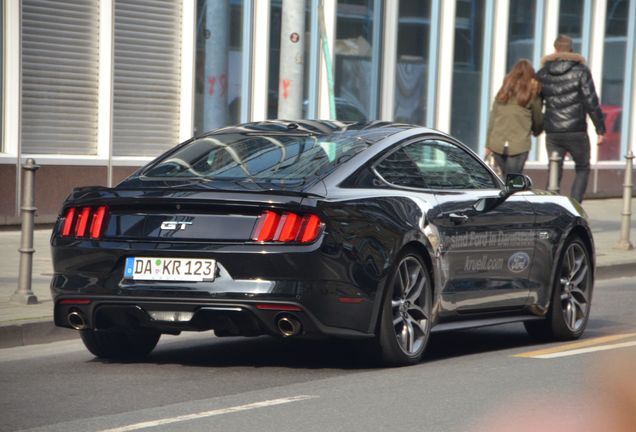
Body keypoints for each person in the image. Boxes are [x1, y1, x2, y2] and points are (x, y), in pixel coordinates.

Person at [537, 34, 605, 203]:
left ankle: (550, 206)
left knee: (554, 168)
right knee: (582, 167)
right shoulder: (581, 71)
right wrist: (600, 129)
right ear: (571, 49)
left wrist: (537, 127)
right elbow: (591, 101)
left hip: (553, 131)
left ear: (555, 49)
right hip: (576, 130)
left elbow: (536, 103)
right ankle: (575, 208)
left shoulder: (543, 73)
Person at [486, 59, 543, 179]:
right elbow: (537, 117)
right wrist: (537, 131)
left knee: (505, 178)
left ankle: (503, 197)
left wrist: (488, 144)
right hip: (519, 144)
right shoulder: (532, 92)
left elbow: (493, 118)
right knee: (513, 180)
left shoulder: (503, 92)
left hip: (497, 143)